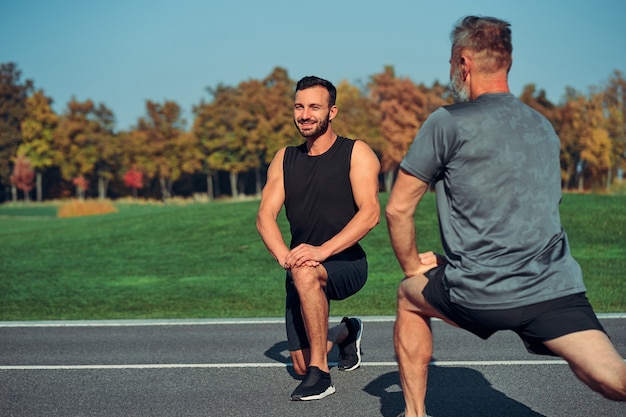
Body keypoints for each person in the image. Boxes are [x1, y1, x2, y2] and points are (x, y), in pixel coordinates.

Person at [385, 15, 626, 417]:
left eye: (451, 64)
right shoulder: (542, 127)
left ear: (463, 63)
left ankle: (414, 415)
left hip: (481, 291)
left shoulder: (447, 121)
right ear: (507, 62)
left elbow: (397, 208)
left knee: (409, 296)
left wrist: (413, 265)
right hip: (554, 291)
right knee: (612, 377)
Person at [256, 75, 381, 401]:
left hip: (347, 261)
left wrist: (322, 251)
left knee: (307, 272)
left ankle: (322, 376)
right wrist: (285, 256)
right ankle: (345, 332)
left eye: (314, 106)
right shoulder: (284, 159)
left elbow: (370, 214)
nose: (305, 114)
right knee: (299, 364)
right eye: (299, 106)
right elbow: (264, 217)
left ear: (332, 111)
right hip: (299, 266)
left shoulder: (356, 152)